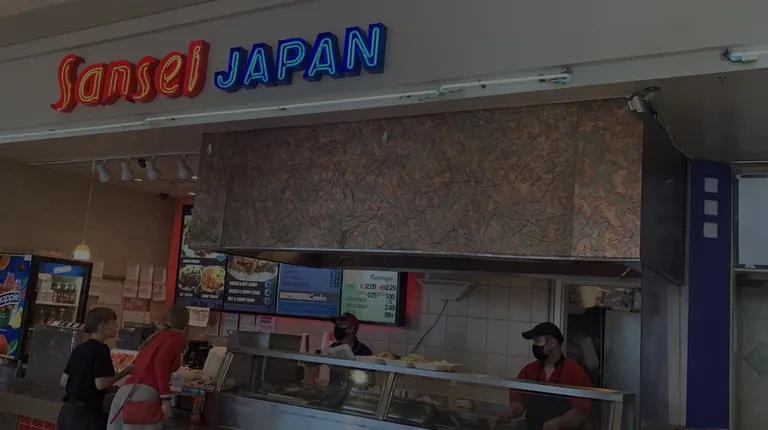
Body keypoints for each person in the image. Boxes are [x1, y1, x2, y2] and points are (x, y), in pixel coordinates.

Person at [107, 305, 190, 430]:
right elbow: (161, 362)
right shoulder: (176, 337)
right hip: (143, 396)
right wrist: (165, 398)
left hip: (124, 394)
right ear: (186, 323)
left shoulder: (157, 337)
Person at [498, 322, 593, 430]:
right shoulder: (529, 370)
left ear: (551, 342)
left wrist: (559, 422)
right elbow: (519, 401)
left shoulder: (575, 373)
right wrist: (510, 412)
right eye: (534, 342)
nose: (535, 346)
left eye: (538, 341)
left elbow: (581, 411)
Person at [57, 307, 133, 430]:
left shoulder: (79, 348)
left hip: (67, 411)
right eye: (113, 322)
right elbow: (101, 384)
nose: (116, 327)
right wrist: (126, 371)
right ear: (103, 326)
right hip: (85, 415)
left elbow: (64, 381)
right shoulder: (101, 349)